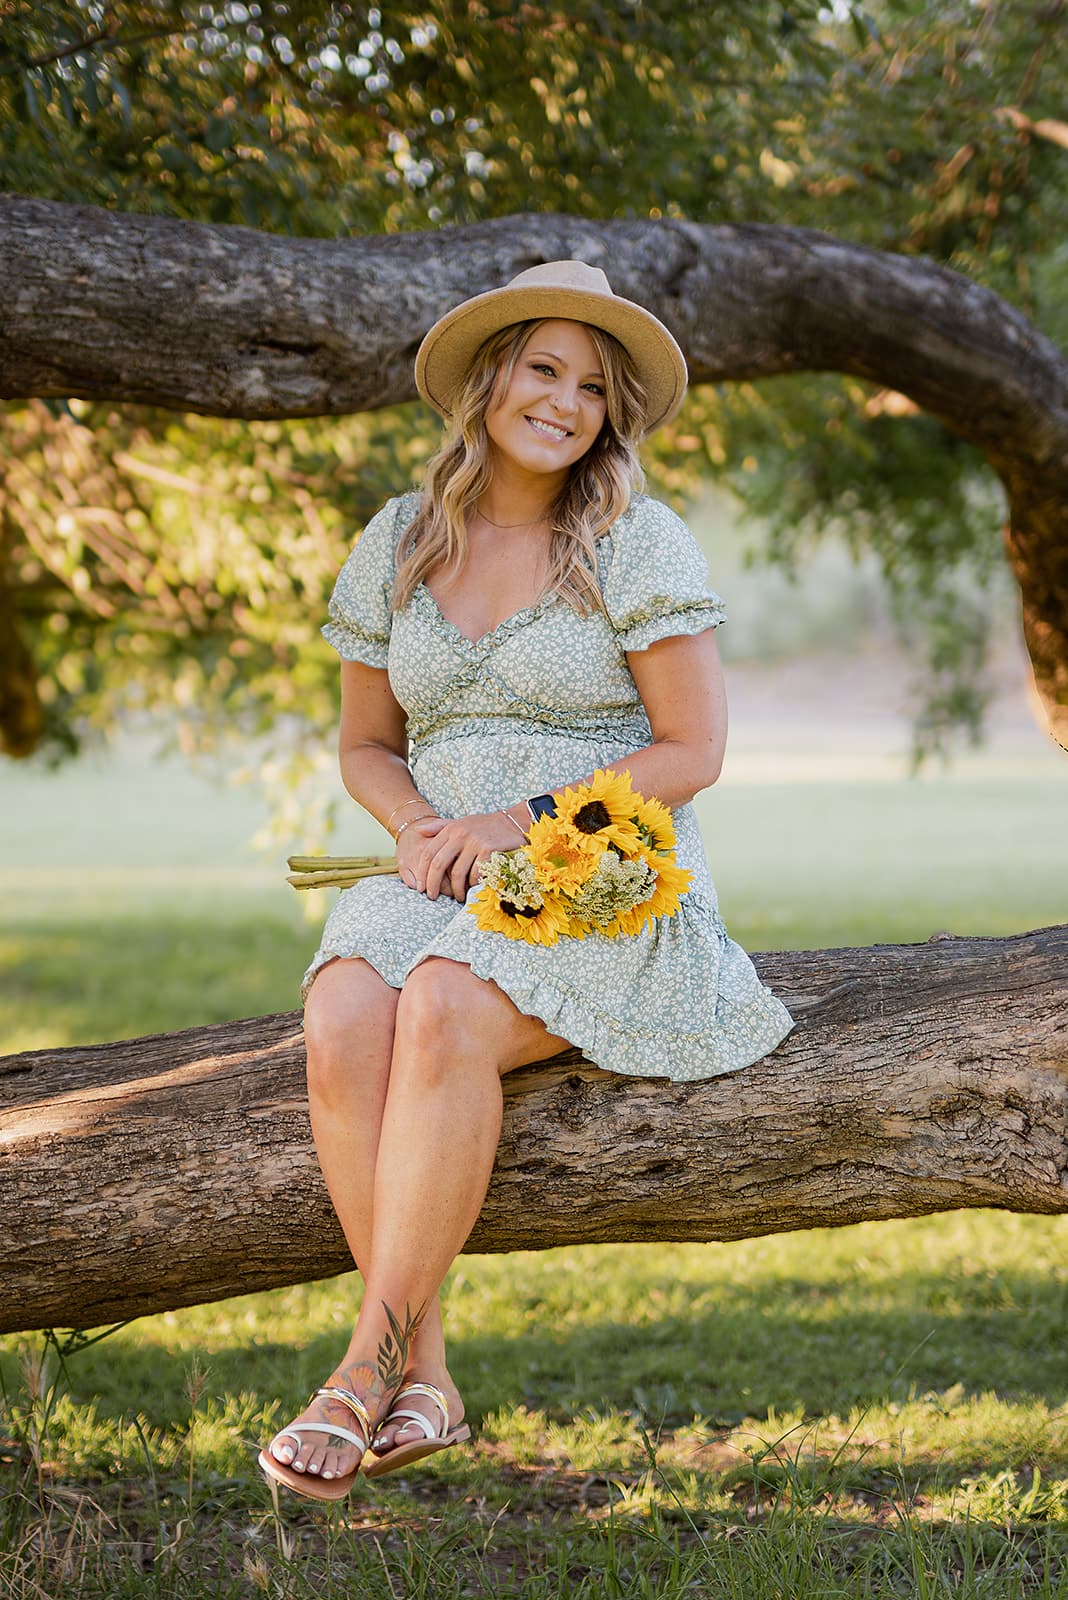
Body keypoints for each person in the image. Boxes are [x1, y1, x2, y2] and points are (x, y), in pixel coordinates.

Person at [258, 260, 795, 1502]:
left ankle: (362, 1368)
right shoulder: (401, 537)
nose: (565, 402)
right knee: (343, 1007)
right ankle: (428, 1375)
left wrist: (513, 822)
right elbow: (365, 744)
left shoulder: (632, 539)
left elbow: (693, 750)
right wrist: (416, 824)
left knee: (444, 1002)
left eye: (593, 387)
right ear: (490, 379)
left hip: (597, 863)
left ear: (613, 414)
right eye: (545, 369)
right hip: (434, 865)